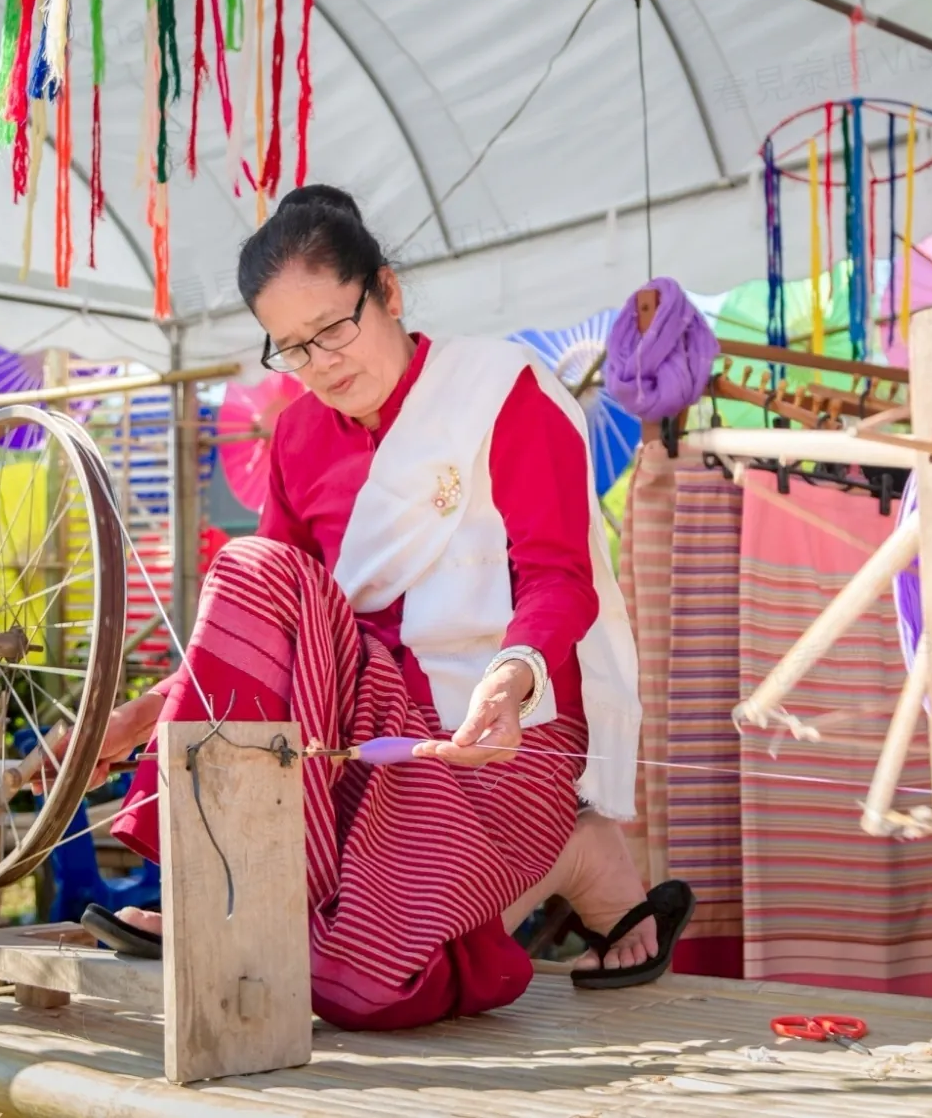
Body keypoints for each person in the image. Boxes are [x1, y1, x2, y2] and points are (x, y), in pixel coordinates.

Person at [66, 186, 692, 1029]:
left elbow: (557, 576)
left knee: (363, 988)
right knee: (253, 562)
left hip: (504, 720)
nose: (321, 362)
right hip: (361, 716)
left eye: (334, 327)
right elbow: (267, 613)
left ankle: (574, 848)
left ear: (388, 293)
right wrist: (142, 713)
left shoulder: (503, 389)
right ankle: (213, 883)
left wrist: (510, 679)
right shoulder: (295, 436)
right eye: (291, 347)